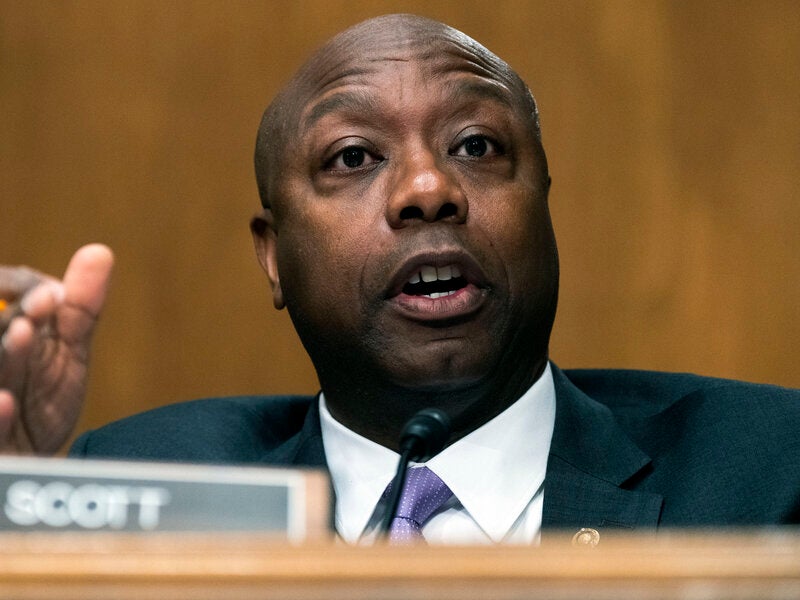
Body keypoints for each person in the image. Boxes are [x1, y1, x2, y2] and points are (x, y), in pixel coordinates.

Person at [0, 15, 798, 544]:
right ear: (273, 256)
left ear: (544, 205)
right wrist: (16, 508)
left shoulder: (768, 474)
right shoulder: (148, 482)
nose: (428, 189)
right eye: (353, 157)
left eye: (477, 146)